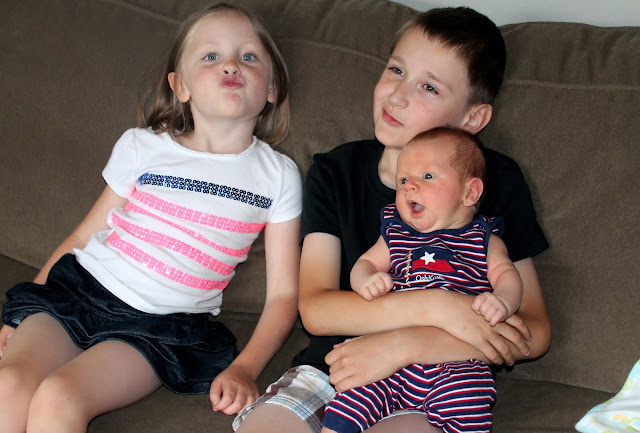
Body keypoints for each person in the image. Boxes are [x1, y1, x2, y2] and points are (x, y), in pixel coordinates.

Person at [234, 6, 551, 433]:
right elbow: (317, 310)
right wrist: (437, 306)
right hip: (334, 369)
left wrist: (408, 343)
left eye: (429, 87)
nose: (397, 95)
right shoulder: (336, 171)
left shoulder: (493, 180)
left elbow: (533, 330)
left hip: (438, 382)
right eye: (396, 70)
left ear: (472, 119)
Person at [0, 3, 302, 432]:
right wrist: (26, 306)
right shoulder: (143, 146)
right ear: (180, 86)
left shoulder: (278, 177)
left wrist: (246, 367)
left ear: (272, 87)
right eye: (211, 55)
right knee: (9, 383)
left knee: (57, 396)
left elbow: (283, 296)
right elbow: (85, 234)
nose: (231, 65)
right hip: (82, 289)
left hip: (158, 328)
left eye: (248, 56)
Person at [321, 127, 523, 433]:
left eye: (427, 176)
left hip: (455, 362)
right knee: (350, 399)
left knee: (467, 402)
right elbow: (364, 263)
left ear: (470, 193)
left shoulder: (484, 239)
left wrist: (503, 302)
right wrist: (366, 280)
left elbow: (507, 275)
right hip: (386, 359)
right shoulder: (395, 233)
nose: (410, 187)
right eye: (403, 180)